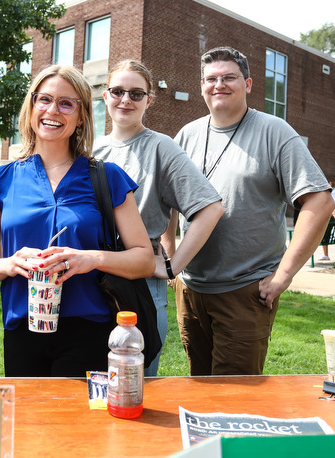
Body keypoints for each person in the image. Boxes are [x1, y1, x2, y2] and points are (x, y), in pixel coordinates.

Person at [0, 65, 154, 377]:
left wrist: (91, 258)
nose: (52, 111)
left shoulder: (107, 177)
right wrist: (11, 263)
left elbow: (144, 260)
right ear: (30, 108)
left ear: (81, 116)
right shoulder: (0, 181)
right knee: (29, 423)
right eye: (44, 100)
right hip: (23, 330)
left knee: (84, 425)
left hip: (91, 329)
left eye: (66, 103)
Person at [172, 46, 335, 375]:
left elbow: (320, 203)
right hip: (190, 290)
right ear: (201, 85)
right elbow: (168, 198)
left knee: (235, 399)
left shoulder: (275, 132)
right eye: (211, 79)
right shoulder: (187, 135)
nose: (219, 84)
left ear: (248, 84)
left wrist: (284, 275)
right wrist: (169, 256)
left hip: (245, 291)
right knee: (198, 387)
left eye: (229, 77)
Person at [93, 59, 223, 376]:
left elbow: (211, 207)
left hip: (140, 282)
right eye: (118, 91)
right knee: (93, 381)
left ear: (149, 100)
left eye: (136, 94)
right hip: (91, 277)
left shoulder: (160, 147)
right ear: (105, 96)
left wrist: (172, 265)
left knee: (136, 382)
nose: (126, 100)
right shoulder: (89, 149)